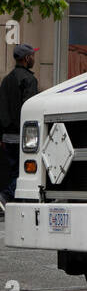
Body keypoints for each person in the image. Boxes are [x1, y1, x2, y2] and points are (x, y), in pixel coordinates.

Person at [0, 45, 39, 208]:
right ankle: (6, 196)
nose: (34, 58)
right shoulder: (29, 80)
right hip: (23, 137)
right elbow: (30, 109)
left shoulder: (6, 80)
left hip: (7, 136)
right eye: (32, 55)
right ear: (26, 58)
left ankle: (13, 201)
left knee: (13, 171)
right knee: (23, 173)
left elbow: (1, 108)